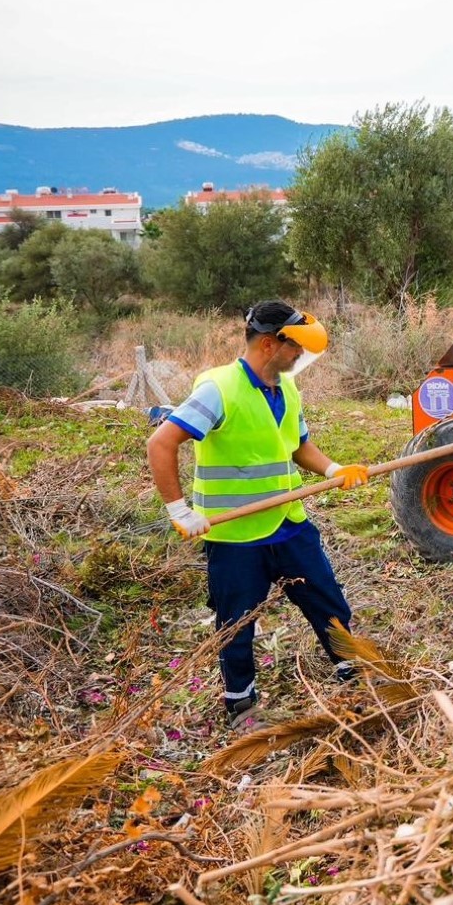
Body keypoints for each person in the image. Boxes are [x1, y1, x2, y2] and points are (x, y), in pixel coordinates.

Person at [146, 300, 369, 728]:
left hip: (287, 522)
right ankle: (241, 705)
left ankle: (353, 672)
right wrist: (179, 509)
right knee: (236, 622)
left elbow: (298, 446)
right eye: (296, 347)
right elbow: (161, 444)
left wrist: (334, 468)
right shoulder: (219, 389)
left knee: (327, 599)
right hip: (235, 536)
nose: (300, 355)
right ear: (270, 344)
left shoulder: (286, 388)